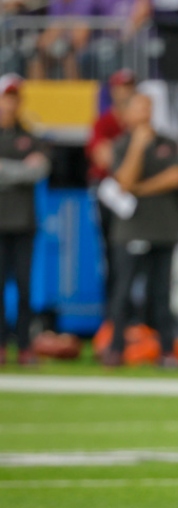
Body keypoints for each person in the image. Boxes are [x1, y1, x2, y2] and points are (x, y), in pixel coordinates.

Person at [103, 93, 178, 368]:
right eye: (139, 108)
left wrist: (142, 188)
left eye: (148, 108)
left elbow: (177, 176)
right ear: (127, 115)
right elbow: (124, 181)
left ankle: (166, 351)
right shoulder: (121, 145)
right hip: (132, 229)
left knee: (161, 294)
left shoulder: (167, 142)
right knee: (124, 291)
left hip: (164, 227)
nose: (145, 114)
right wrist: (138, 147)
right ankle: (116, 348)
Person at [0, 74, 50, 366]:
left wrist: (6, 173)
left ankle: (25, 346)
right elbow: (28, 171)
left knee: (24, 286)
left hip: (24, 222)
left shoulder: (29, 135)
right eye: (6, 96)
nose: (10, 103)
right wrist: (20, 171)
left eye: (14, 97)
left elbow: (40, 170)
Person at [87, 69, 139, 309]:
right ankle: (113, 315)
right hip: (109, 196)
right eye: (120, 87)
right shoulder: (105, 123)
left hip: (135, 195)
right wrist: (132, 161)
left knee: (133, 258)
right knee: (111, 255)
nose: (125, 92)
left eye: (129, 87)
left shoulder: (139, 124)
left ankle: (133, 316)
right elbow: (103, 159)